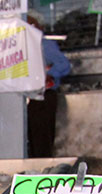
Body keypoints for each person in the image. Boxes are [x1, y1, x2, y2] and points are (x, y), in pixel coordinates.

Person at [27, 12, 71, 158]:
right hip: (29, 98)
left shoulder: (44, 43)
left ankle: (41, 173)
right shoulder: (24, 45)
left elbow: (64, 65)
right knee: (31, 139)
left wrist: (46, 73)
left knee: (42, 140)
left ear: (40, 26)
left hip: (43, 98)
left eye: (31, 24)